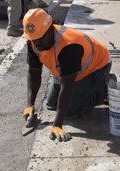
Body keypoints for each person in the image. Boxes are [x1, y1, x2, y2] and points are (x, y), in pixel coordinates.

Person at [22, 8, 113, 142]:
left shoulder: (68, 46)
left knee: (72, 111)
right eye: (33, 39)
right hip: (66, 71)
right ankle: (93, 88)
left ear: (49, 29)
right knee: (52, 104)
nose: (37, 43)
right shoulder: (33, 42)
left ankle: (105, 87)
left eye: (40, 38)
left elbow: (67, 87)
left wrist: (57, 125)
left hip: (97, 68)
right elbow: (34, 73)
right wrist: (30, 104)